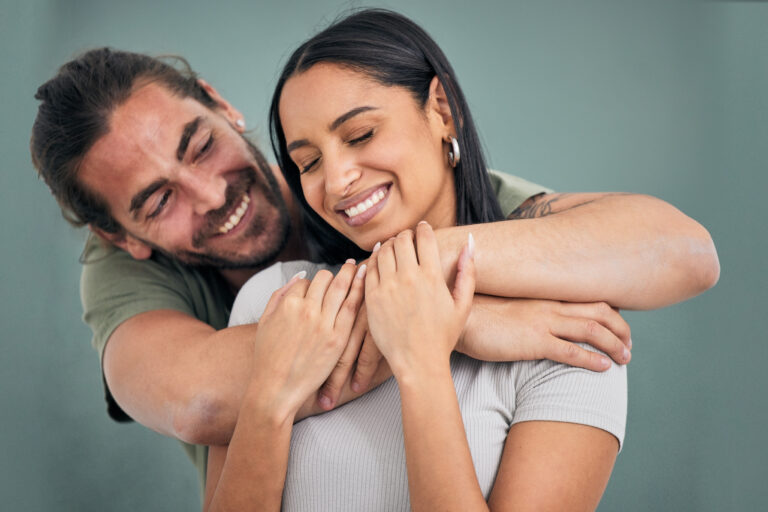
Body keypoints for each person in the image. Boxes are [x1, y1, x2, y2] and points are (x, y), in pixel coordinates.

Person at [29, 37, 717, 501]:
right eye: (159, 201)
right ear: (120, 236)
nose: (211, 195)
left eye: (202, 145)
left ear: (221, 105)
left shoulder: (388, 192)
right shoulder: (177, 283)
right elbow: (201, 401)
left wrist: (429, 275)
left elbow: (681, 251)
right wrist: (462, 318)